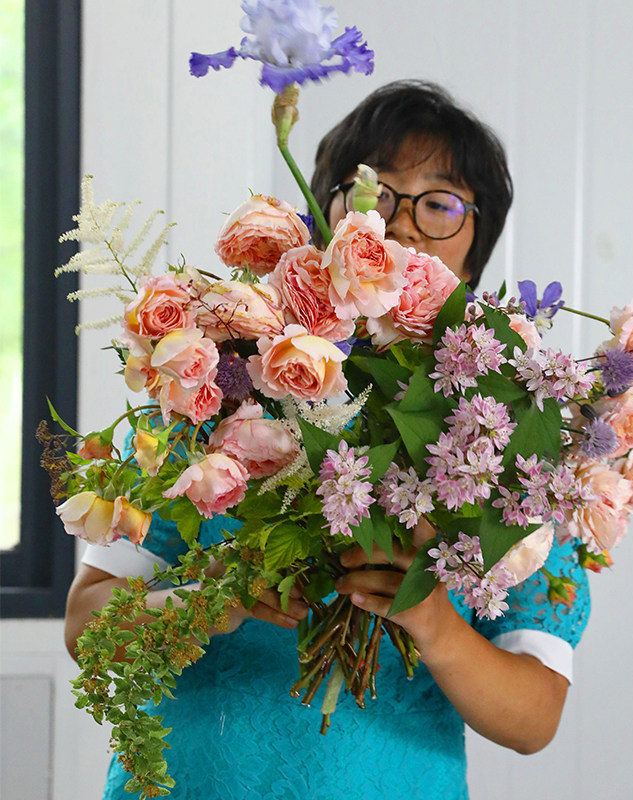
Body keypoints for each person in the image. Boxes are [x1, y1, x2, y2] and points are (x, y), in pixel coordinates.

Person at [64, 80, 590, 800]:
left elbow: (534, 719)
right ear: (321, 222)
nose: (398, 226)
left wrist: (433, 622)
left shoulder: (508, 448)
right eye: (369, 191)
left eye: (440, 203)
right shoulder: (210, 392)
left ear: (474, 254)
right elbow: (88, 628)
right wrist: (217, 600)